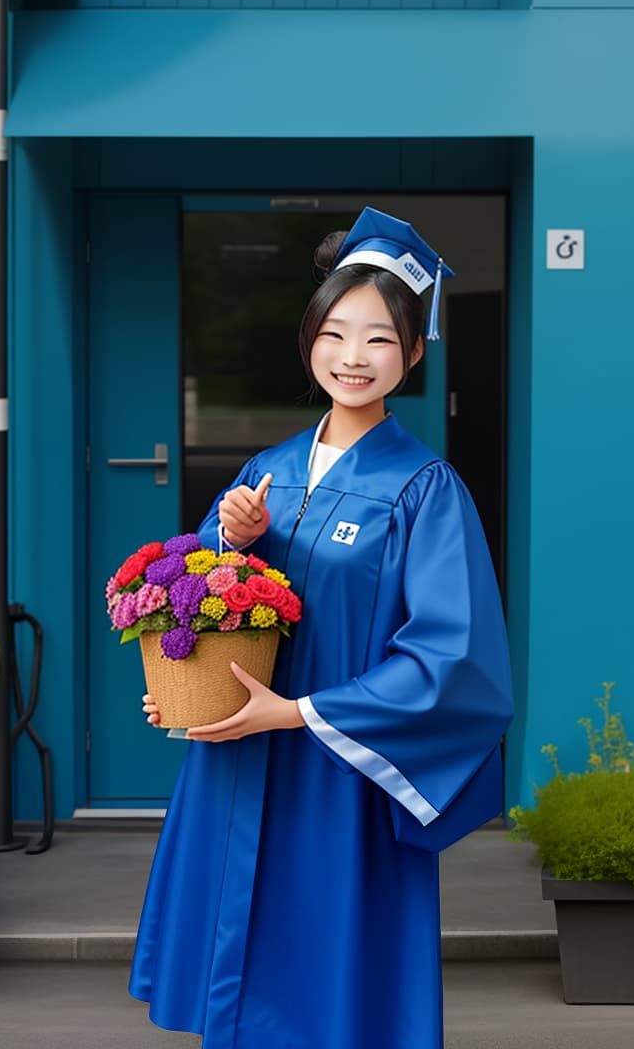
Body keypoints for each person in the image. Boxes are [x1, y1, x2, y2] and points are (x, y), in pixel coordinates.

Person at [129, 207, 513, 1049]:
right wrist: (226, 542)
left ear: (413, 354)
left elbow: (454, 659)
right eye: (335, 333)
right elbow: (200, 595)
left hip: (338, 769)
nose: (352, 356)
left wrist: (299, 713)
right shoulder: (265, 473)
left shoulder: (424, 489)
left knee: (327, 990)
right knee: (236, 976)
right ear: (309, 341)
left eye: (379, 339)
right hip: (239, 753)